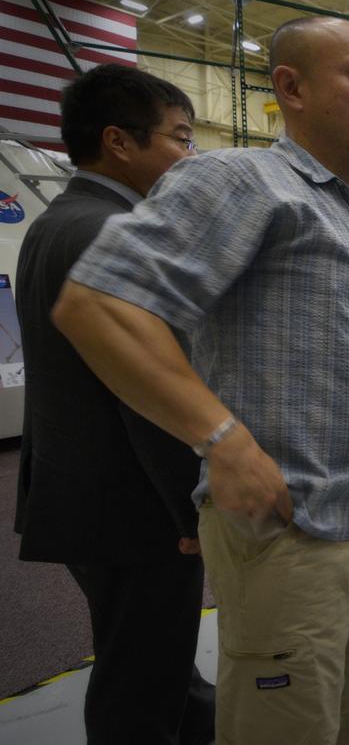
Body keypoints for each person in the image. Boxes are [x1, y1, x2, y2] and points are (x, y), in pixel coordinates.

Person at [50, 17, 349, 745]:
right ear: (291, 88)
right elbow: (99, 304)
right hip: (293, 531)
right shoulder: (240, 181)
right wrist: (221, 440)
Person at [14, 63, 215, 744]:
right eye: (180, 139)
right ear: (119, 141)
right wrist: (190, 502)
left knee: (152, 655)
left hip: (88, 490)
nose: (189, 157)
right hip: (136, 503)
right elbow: (149, 393)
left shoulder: (59, 222)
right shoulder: (116, 234)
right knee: (138, 683)